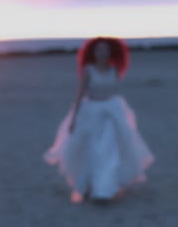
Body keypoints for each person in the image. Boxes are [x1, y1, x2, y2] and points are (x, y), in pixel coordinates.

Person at [44, 37, 154, 204]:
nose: (102, 53)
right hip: (90, 113)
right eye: (98, 49)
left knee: (108, 152)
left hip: (111, 113)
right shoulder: (88, 70)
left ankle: (105, 190)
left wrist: (120, 116)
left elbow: (114, 93)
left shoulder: (114, 70)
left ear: (112, 52)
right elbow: (80, 94)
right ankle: (90, 186)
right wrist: (74, 119)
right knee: (91, 152)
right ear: (92, 52)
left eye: (105, 49)